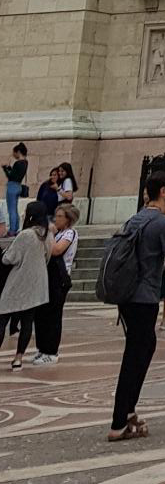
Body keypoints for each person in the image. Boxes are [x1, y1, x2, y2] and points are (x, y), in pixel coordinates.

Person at [110, 166, 165, 441]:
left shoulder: (135, 219)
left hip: (127, 296)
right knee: (135, 356)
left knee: (143, 349)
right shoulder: (164, 223)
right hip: (144, 296)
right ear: (164, 192)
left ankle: (127, 413)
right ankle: (118, 422)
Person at [1, 201, 51, 368]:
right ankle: (19, 357)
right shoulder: (46, 234)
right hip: (38, 283)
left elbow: (9, 258)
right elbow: (47, 257)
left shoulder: (26, 235)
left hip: (19, 281)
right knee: (27, 321)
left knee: (3, 317)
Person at [32, 203, 78, 364]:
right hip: (47, 277)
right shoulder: (56, 233)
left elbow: (57, 250)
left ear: (67, 219)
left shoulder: (69, 233)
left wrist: (49, 236)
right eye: (55, 216)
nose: (56, 219)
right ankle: (42, 347)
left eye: (59, 216)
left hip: (59, 279)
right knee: (42, 313)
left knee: (53, 314)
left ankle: (51, 351)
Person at [3, 143, 27, 237]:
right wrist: (10, 168)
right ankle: (16, 228)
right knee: (15, 208)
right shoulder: (25, 162)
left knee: (11, 209)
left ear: (18, 152)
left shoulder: (18, 163)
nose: (14, 155)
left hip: (12, 186)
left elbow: (11, 176)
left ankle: (12, 230)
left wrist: (5, 168)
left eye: (14, 153)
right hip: (18, 186)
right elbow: (16, 175)